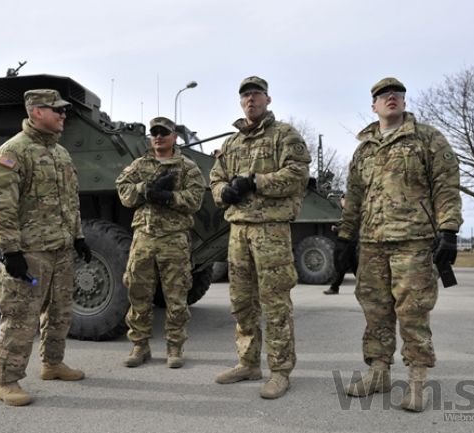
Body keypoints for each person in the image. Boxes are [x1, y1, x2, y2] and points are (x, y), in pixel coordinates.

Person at [335, 77, 463, 412]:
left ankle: (417, 380)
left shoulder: (427, 138)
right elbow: (354, 199)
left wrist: (449, 230)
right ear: (373, 105)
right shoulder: (363, 149)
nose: (390, 97)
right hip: (372, 243)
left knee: (413, 312)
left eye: (397, 94)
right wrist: (346, 238)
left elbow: (446, 185)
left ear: (404, 102)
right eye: (382, 94)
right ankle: (379, 372)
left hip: (414, 241)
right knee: (375, 311)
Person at [0, 89, 92, 406]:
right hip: (30, 251)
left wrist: (79, 236)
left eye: (63, 110)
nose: (62, 115)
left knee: (60, 312)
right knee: (20, 317)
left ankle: (53, 364)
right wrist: (10, 250)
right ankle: (7, 381)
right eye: (56, 110)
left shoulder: (60, 154)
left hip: (60, 249)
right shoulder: (13, 151)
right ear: (35, 112)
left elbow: (70, 203)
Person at [210, 76, 310, 399]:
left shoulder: (285, 135)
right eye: (245, 95)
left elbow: (297, 176)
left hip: (271, 230)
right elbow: (215, 179)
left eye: (255, 94)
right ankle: (248, 362)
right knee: (242, 302)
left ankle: (280, 371)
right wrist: (224, 191)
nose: (250, 99)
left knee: (275, 301)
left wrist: (255, 182)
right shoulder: (231, 144)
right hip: (238, 231)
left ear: (268, 99)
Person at [116, 116, 205, 369]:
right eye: (154, 132)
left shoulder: (187, 167)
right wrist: (145, 189)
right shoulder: (139, 165)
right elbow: (123, 189)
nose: (158, 137)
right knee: (138, 292)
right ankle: (139, 345)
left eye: (163, 132)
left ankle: (174, 346)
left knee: (176, 294)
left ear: (174, 136)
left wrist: (168, 197)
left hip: (173, 238)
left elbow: (195, 199)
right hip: (143, 237)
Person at [323, 195, 358, 295]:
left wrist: (336, 229)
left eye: (343, 199)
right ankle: (364, 286)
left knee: (340, 264)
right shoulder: (348, 212)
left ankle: (334, 287)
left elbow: (348, 227)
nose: (341, 201)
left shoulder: (351, 212)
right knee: (354, 265)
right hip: (348, 240)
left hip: (346, 240)